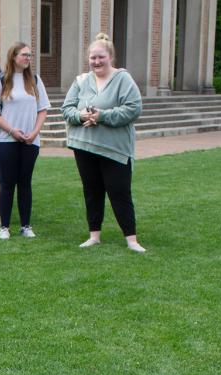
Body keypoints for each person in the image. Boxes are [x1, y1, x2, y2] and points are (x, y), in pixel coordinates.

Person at [63, 34, 145, 251]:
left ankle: (132, 240)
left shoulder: (123, 79)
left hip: (115, 149)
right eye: (93, 58)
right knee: (92, 191)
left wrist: (102, 116)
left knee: (119, 191)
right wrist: (81, 116)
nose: (96, 62)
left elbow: (133, 109)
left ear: (111, 57)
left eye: (101, 57)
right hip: (84, 146)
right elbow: (66, 109)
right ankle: (94, 236)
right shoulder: (81, 81)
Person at [0, 43, 49, 239]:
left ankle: (25, 226)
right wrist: (11, 130)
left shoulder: (35, 80)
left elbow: (42, 109)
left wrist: (35, 132)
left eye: (30, 55)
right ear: (13, 56)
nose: (28, 58)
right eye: (24, 55)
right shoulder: (0, 79)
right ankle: (4, 227)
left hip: (30, 141)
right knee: (7, 183)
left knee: (25, 183)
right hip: (6, 140)